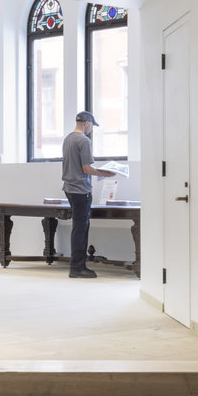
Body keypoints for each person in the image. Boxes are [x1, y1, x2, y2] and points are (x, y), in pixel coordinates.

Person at [60, 109, 115, 280]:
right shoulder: (83, 141)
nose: (91, 129)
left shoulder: (68, 139)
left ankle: (76, 265)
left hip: (69, 188)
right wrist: (107, 173)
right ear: (87, 123)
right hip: (81, 190)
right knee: (81, 228)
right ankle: (77, 267)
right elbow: (87, 169)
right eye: (92, 126)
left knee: (78, 227)